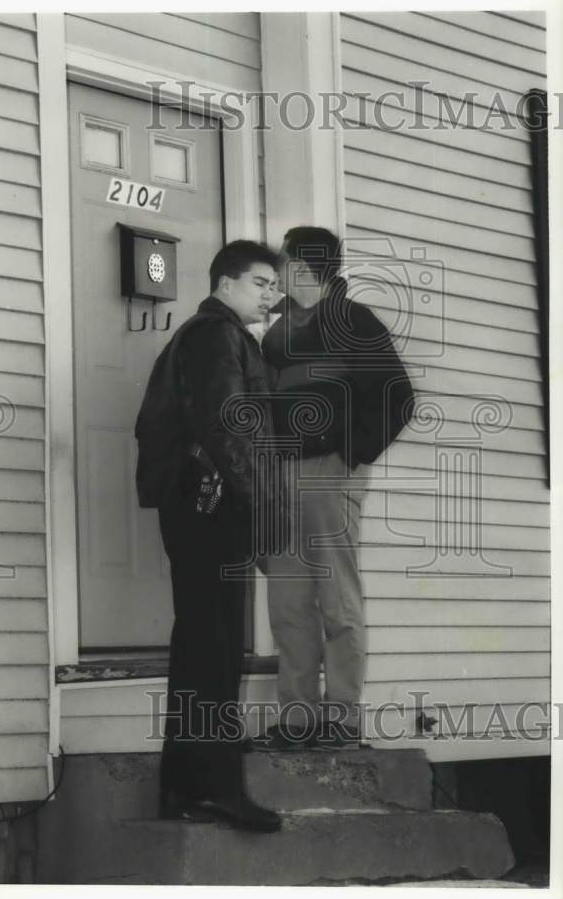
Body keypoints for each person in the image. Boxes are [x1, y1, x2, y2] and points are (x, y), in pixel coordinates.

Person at [136, 239, 283, 831]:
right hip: (211, 505)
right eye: (260, 283)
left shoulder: (214, 335)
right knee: (214, 646)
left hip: (202, 504)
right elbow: (228, 427)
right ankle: (215, 787)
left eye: (275, 285)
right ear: (224, 283)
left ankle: (187, 786)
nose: (271, 295)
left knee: (205, 643)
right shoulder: (213, 334)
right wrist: (262, 511)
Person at [252, 226, 415, 751]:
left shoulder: (353, 321)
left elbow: (398, 397)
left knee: (337, 600)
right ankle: (297, 720)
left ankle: (342, 720)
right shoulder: (276, 333)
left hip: (330, 471)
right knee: (287, 602)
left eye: (284, 260)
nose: (276, 269)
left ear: (302, 265)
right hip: (281, 475)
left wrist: (350, 453)